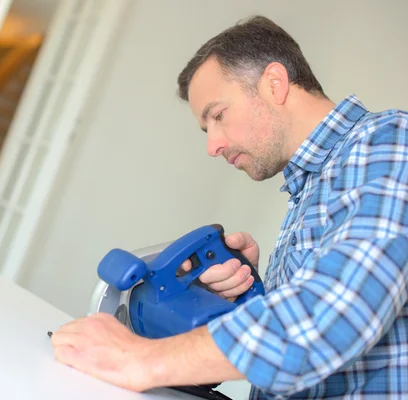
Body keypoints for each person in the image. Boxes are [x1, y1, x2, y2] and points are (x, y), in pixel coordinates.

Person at [50, 15, 408, 399]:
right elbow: (307, 349)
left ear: (275, 83)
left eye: (218, 116)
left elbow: (334, 318)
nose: (212, 146)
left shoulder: (389, 142)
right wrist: (250, 302)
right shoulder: (313, 186)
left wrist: (141, 359)